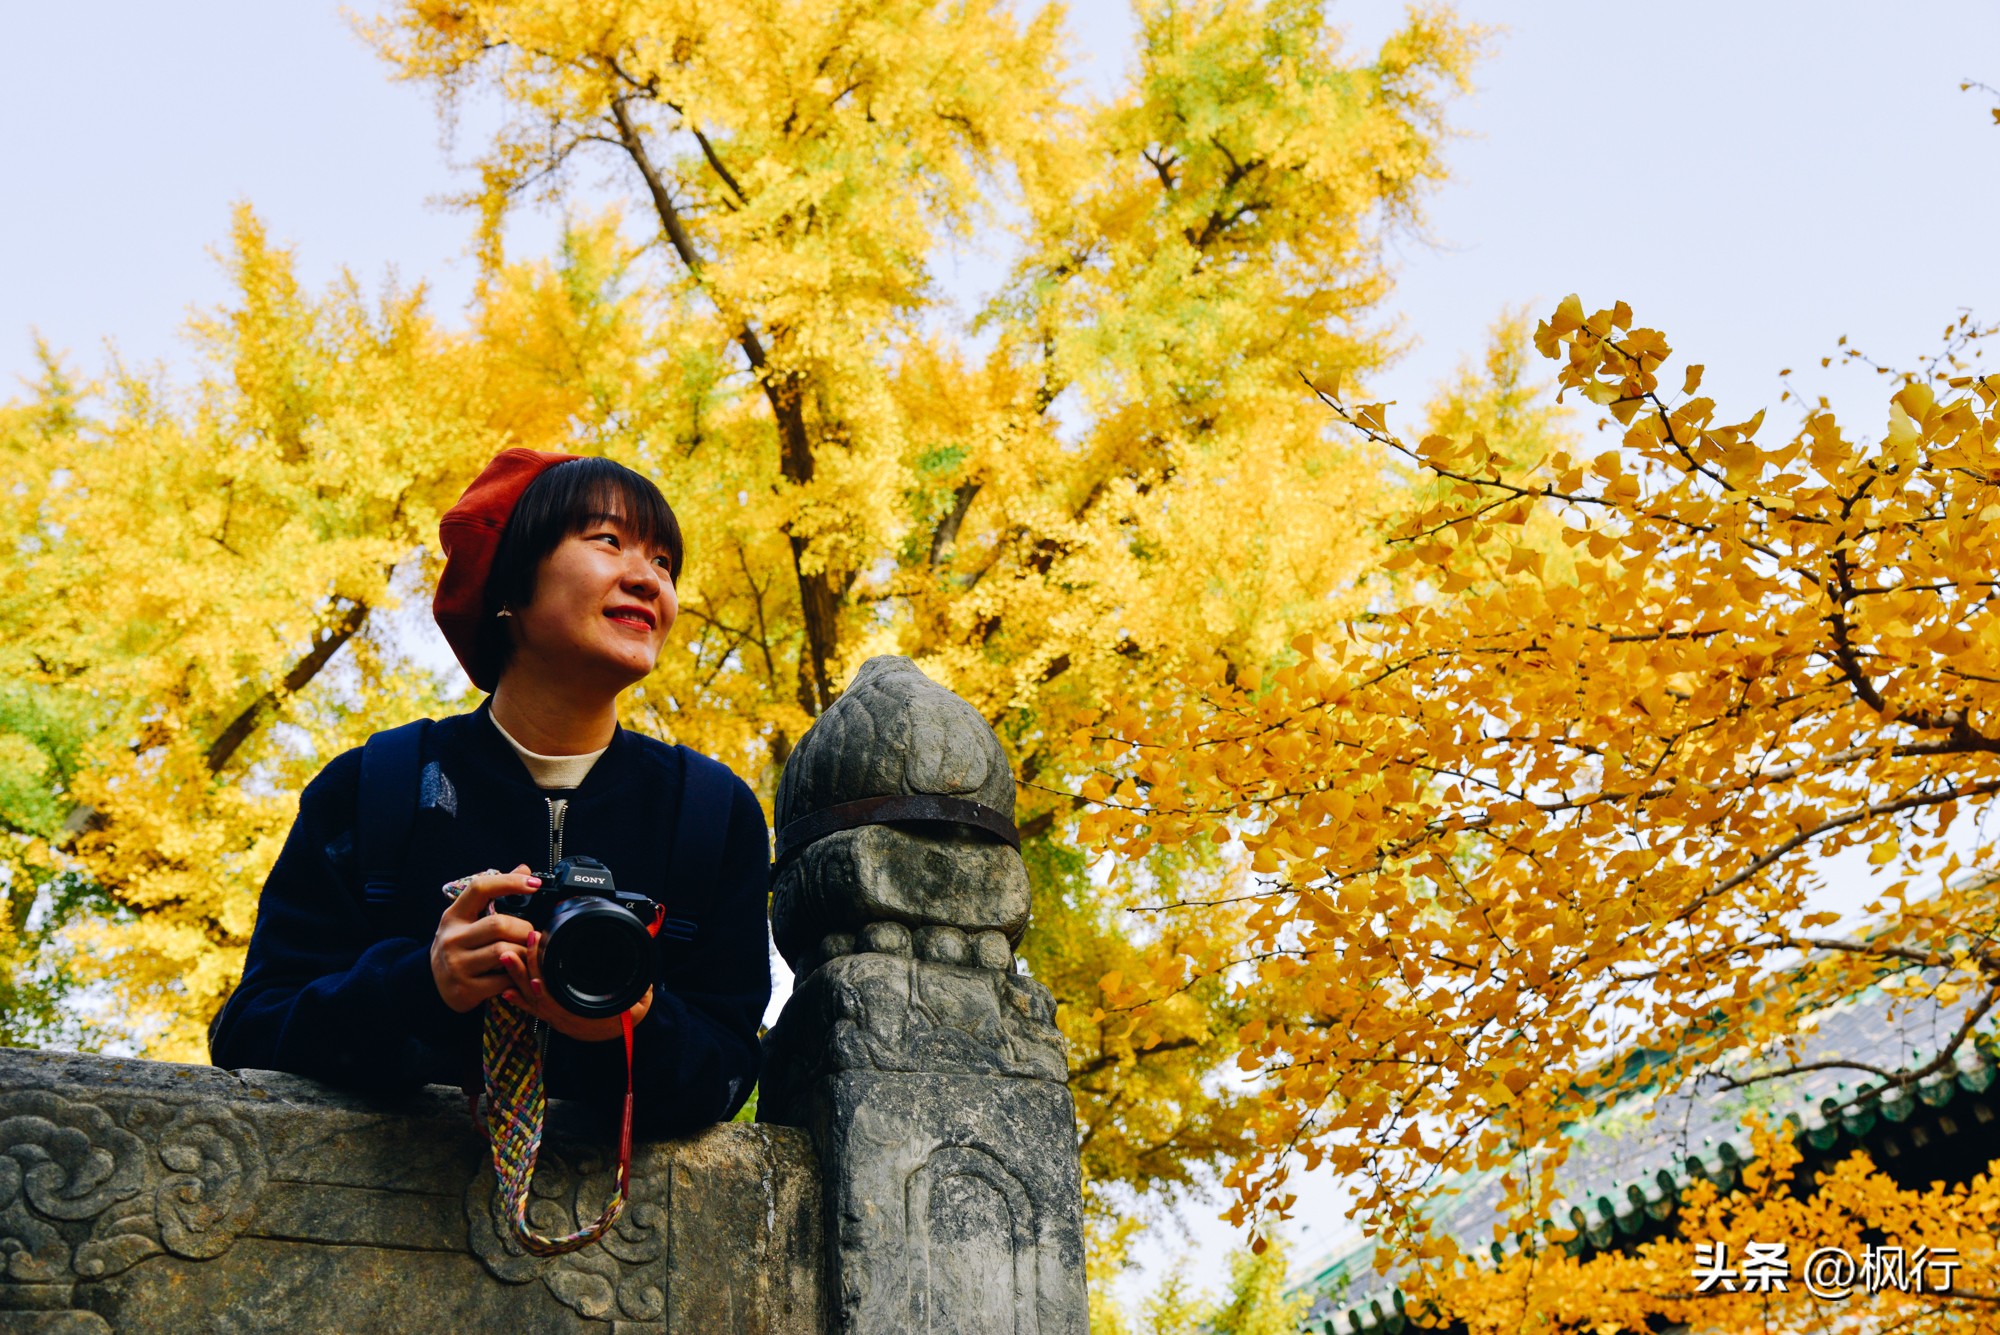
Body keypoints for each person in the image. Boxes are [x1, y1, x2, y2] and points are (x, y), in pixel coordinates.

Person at [209, 449, 770, 1139]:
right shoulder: (373, 788)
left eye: (664, 562)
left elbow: (729, 1076)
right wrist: (425, 985)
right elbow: (249, 1035)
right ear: (508, 580)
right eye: (609, 541)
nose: (647, 579)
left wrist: (631, 1023)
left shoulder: (713, 815)